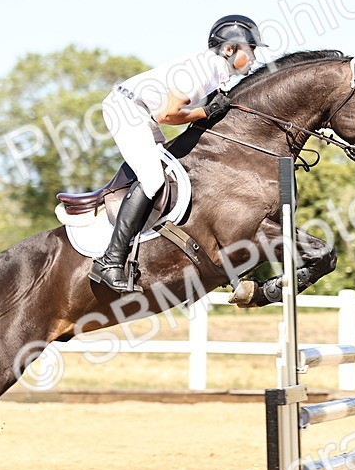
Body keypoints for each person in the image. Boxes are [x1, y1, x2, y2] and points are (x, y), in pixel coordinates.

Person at [89, 14, 268, 292]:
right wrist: (205, 111)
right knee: (153, 180)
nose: (254, 58)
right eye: (252, 49)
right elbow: (167, 115)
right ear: (230, 49)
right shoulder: (205, 69)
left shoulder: (218, 72)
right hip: (127, 109)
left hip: (140, 112)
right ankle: (110, 260)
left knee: (172, 173)